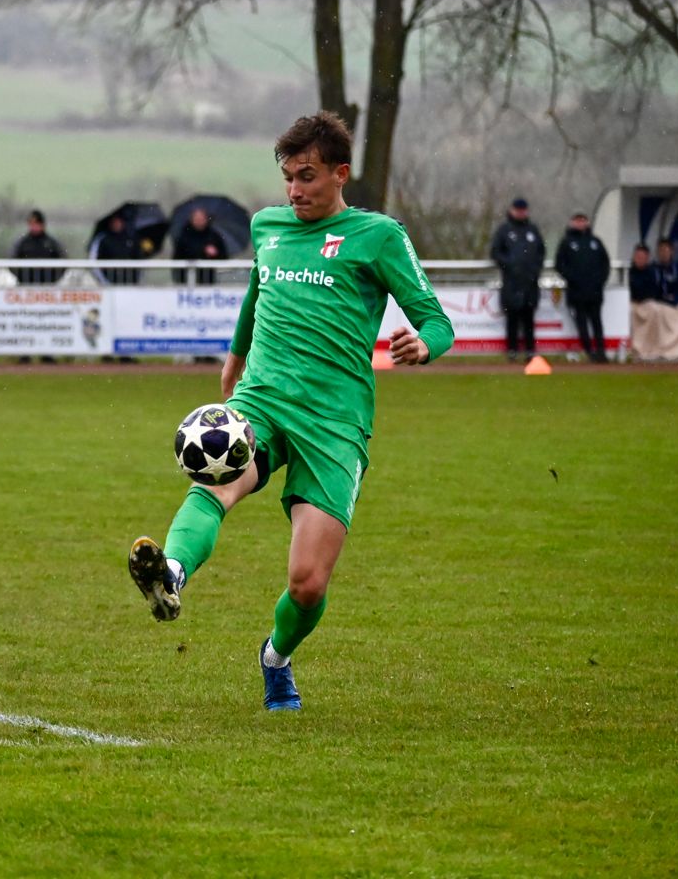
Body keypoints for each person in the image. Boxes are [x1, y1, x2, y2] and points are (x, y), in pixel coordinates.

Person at [127, 112, 453, 712]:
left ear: (340, 173)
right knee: (216, 481)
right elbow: (257, 292)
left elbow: (436, 319)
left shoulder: (379, 236)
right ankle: (171, 572)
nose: (295, 190)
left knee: (307, 584)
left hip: (335, 422)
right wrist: (234, 360)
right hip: (264, 398)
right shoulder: (268, 226)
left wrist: (424, 345)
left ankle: (275, 656)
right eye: (288, 178)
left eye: (307, 176)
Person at [489, 197, 545, 362]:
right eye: (518, 210)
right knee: (512, 318)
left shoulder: (532, 230)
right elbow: (495, 252)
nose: (521, 213)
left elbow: (541, 252)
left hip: (530, 284)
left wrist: (534, 269)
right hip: (511, 284)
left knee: (529, 319)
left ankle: (530, 351)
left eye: (523, 210)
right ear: (512, 210)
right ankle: (512, 351)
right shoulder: (504, 230)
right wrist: (510, 265)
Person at [552, 212, 610, 362]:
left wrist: (600, 280)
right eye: (577, 220)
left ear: (587, 222)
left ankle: (601, 351)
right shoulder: (567, 242)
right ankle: (590, 352)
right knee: (581, 323)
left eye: (583, 220)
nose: (580, 223)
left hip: (595, 291)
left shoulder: (595, 242)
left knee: (597, 322)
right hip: (576, 292)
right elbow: (559, 265)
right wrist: (572, 278)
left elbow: (605, 263)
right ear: (572, 222)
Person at [628, 242, 678, 361]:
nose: (639, 259)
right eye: (637, 256)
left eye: (642, 257)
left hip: (662, 303)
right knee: (653, 309)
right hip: (643, 303)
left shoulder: (660, 270)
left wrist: (673, 300)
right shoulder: (630, 271)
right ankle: (644, 348)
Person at [172, 207, 229, 285]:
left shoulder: (214, 236)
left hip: (208, 280)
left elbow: (224, 257)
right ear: (191, 219)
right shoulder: (184, 236)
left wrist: (215, 253)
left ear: (206, 219)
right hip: (186, 280)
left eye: (201, 218)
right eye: (196, 218)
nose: (199, 221)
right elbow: (177, 257)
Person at [12, 209, 65, 285]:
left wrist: (53, 279)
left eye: (36, 224)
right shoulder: (22, 243)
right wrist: (22, 277)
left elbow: (62, 260)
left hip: (48, 286)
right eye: (31, 224)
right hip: (26, 285)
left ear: (42, 224)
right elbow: (13, 261)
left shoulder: (52, 243)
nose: (33, 227)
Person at [94, 214, 141, 285]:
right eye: (114, 222)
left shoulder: (131, 239)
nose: (116, 224)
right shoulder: (104, 240)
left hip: (129, 280)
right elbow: (98, 259)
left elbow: (138, 257)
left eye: (118, 222)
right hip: (110, 280)